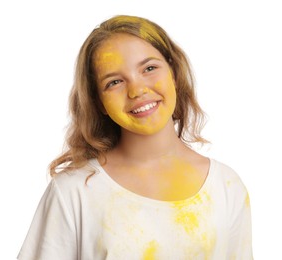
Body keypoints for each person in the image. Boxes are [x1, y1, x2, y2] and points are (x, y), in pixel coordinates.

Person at [17, 15, 253, 259]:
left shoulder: (226, 186)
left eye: (149, 68)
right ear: (99, 102)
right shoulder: (74, 191)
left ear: (173, 72)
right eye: (114, 82)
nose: (137, 90)